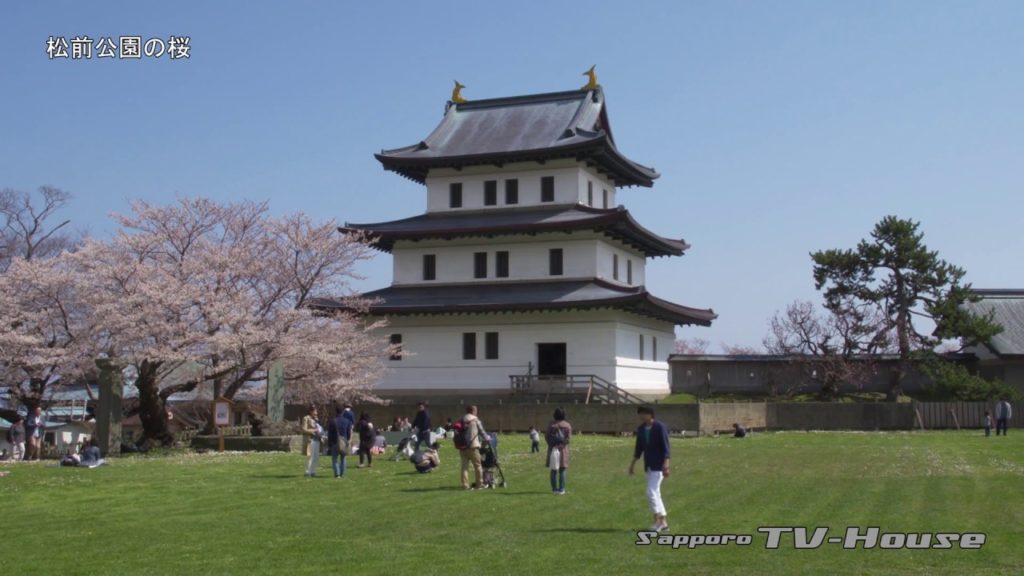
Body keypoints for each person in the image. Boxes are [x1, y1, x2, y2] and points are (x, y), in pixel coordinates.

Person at [629, 405, 671, 533]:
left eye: (644, 413)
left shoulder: (660, 427)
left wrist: (666, 464)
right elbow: (639, 448)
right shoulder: (641, 429)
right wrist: (632, 464)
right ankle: (663, 523)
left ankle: (658, 520)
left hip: (659, 465)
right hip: (648, 465)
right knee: (656, 493)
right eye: (640, 414)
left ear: (651, 414)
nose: (641, 416)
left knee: (650, 491)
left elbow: (666, 447)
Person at [459, 405, 488, 490]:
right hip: (473, 446)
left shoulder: (462, 420)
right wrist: (487, 439)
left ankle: (465, 485)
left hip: (462, 446)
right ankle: (479, 484)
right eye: (476, 410)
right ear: (473, 411)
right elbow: (482, 432)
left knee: (464, 467)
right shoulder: (475, 420)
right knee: (478, 466)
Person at [546, 408, 572, 495]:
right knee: (562, 469)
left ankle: (554, 489)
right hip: (563, 450)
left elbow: (547, 436)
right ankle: (561, 489)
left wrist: (552, 445)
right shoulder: (567, 425)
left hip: (552, 449)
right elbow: (568, 439)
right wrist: (561, 445)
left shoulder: (551, 425)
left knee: (553, 469)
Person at [327, 404, 353, 478]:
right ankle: (343, 474)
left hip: (335, 441)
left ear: (336, 411)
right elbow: (349, 432)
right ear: (343, 412)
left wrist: (329, 444)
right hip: (344, 442)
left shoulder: (332, 421)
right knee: (343, 458)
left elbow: (330, 434)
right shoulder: (347, 421)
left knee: (334, 459)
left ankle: (337, 474)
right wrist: (349, 440)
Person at [301, 406, 323, 477]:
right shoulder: (306, 418)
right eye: (315, 411)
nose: (316, 413)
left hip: (317, 439)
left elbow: (319, 427)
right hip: (310, 439)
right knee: (310, 456)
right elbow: (304, 429)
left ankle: (313, 471)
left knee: (316, 456)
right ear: (311, 411)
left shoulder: (316, 419)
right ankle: (307, 472)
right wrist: (314, 430)